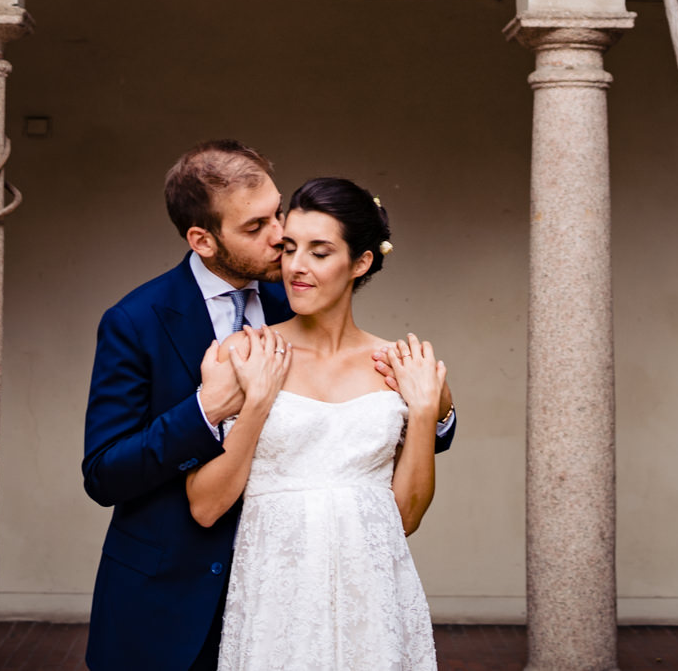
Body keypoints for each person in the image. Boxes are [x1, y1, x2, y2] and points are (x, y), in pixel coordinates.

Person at [82, 143, 456, 671]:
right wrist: (206, 409)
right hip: (176, 592)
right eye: (257, 227)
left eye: (277, 214)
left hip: (339, 587)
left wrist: (436, 409)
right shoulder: (136, 321)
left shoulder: (296, 294)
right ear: (203, 240)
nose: (281, 238)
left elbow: (375, 433)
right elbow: (103, 473)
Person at [188, 177, 446, 671]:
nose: (296, 267)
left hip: (373, 599)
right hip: (276, 601)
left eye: (319, 252)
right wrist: (259, 401)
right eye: (289, 248)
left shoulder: (397, 365)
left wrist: (424, 411)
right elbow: (203, 505)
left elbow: (407, 517)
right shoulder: (245, 354)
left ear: (361, 262)